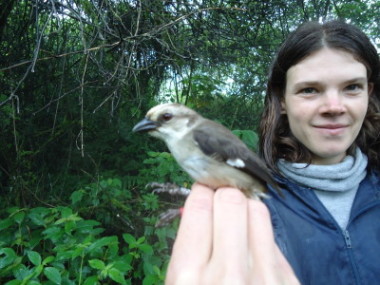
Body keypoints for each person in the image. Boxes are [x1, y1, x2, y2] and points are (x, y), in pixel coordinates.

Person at [165, 20, 380, 284]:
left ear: (369, 93)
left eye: (352, 87)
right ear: (282, 101)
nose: (333, 107)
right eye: (309, 90)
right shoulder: (245, 206)